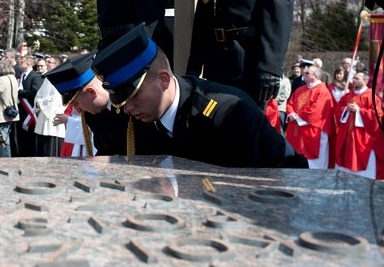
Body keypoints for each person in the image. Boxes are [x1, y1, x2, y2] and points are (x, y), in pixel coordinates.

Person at [91, 24, 308, 168]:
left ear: (164, 80)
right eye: (121, 99)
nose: (127, 108)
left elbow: (237, 190)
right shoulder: (143, 115)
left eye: (133, 95)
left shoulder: (226, 113)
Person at [45, 52, 128, 155]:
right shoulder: (91, 114)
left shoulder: (130, 106)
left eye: (76, 103)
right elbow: (104, 150)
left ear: (91, 92)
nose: (78, 110)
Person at [333, 72, 384, 179]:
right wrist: (345, 110)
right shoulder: (347, 96)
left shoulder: (371, 96)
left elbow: (377, 115)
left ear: (365, 81)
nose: (353, 80)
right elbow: (337, 111)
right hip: (347, 135)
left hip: (362, 137)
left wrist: (359, 111)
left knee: (361, 163)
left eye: (357, 78)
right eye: (353, 78)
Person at [285, 65, 334, 169]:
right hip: (296, 130)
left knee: (312, 164)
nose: (304, 75)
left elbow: (316, 111)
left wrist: (297, 117)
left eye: (307, 73)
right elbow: (290, 103)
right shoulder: (300, 90)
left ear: (315, 76)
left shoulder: (323, 91)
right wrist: (291, 114)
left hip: (312, 131)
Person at [16, 56, 43, 156]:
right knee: (22, 137)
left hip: (30, 112)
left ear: (28, 64)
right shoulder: (21, 75)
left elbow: (34, 92)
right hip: (21, 111)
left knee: (29, 138)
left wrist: (20, 92)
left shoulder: (35, 76)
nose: (19, 63)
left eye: (22, 62)